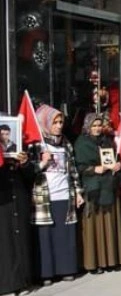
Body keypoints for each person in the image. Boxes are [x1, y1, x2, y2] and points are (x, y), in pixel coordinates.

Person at [32, 105, 84, 284]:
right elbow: (28, 171)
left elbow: (73, 170)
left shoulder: (66, 143)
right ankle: (47, 273)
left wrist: (78, 191)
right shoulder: (37, 144)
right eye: (55, 122)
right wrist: (42, 163)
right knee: (46, 237)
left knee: (64, 235)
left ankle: (66, 269)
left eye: (61, 122)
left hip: (64, 195)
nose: (59, 126)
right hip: (44, 197)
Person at [74, 114, 121, 273]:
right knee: (95, 226)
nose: (97, 128)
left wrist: (118, 165)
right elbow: (79, 166)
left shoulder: (107, 141)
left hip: (109, 186)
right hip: (93, 189)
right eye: (94, 126)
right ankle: (95, 263)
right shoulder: (81, 143)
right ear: (87, 127)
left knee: (110, 223)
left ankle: (111, 259)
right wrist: (94, 169)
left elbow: (114, 158)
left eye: (99, 125)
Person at [0, 149, 34, 296]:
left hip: (18, 196)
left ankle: (22, 281)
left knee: (20, 239)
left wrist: (25, 162)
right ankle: (6, 285)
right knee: (5, 241)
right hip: (3, 199)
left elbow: (31, 176)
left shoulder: (19, 147)